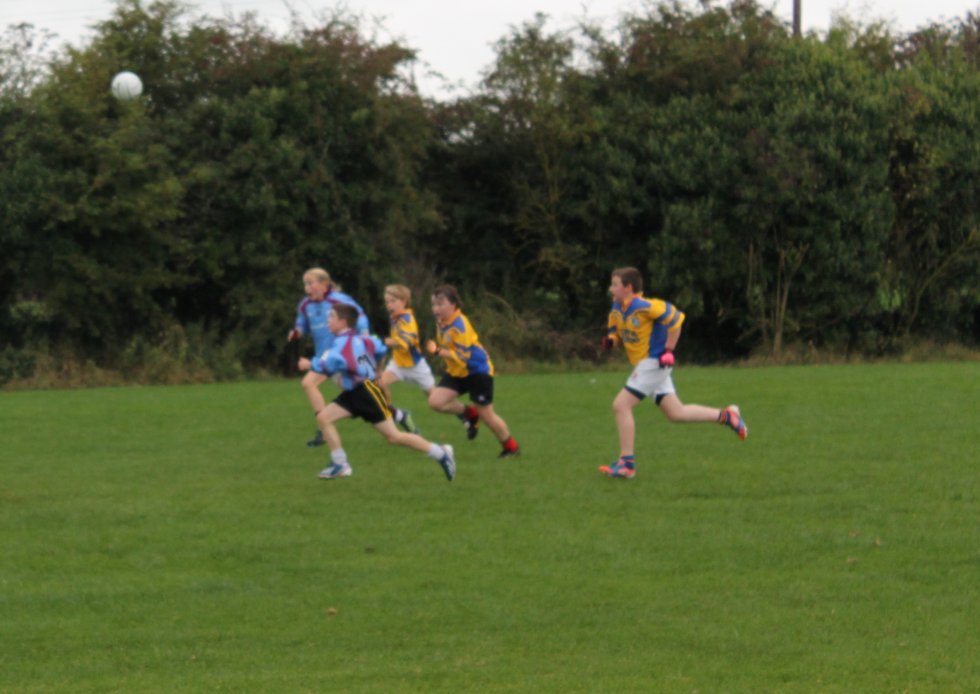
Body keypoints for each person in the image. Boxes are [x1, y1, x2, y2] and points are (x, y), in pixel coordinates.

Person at [598, 266, 747, 480]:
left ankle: (626, 463)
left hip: (653, 363)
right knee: (676, 413)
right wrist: (610, 342)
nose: (611, 288)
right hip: (645, 366)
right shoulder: (616, 308)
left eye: (615, 284)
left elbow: (676, 320)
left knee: (621, 405)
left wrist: (669, 350)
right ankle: (727, 416)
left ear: (628, 287)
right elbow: (616, 335)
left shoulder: (647, 306)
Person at [297, 303, 456, 481]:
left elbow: (329, 363)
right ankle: (340, 464)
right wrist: (378, 370)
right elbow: (380, 349)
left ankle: (441, 453)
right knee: (323, 417)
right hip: (355, 392)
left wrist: (309, 364)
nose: (328, 321)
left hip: (366, 394)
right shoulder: (364, 339)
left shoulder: (342, 344)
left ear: (343, 322)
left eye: (331, 317)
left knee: (394, 437)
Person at [424, 284, 520, 459]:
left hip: (477, 371)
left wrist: (438, 351)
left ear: (453, 305)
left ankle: (511, 447)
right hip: (457, 371)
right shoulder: (442, 322)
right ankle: (469, 413)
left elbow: (462, 356)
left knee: (487, 415)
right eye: (433, 304)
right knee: (435, 401)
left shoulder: (460, 325)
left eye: (440, 304)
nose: (435, 308)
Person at [287, 268, 370, 447]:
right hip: (323, 355)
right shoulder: (305, 305)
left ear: (324, 285)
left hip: (338, 354)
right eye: (305, 284)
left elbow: (360, 316)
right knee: (360, 393)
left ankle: (323, 429)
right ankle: (397, 415)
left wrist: (364, 337)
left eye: (311, 283)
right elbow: (302, 324)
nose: (307, 288)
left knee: (309, 383)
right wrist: (297, 332)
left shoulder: (339, 301)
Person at [376, 284, 435, 435]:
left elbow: (408, 341)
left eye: (393, 301)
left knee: (436, 401)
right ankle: (396, 415)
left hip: (415, 365)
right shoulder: (394, 317)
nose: (389, 305)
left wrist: (389, 341)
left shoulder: (407, 319)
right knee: (379, 384)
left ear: (404, 301)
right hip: (398, 363)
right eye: (387, 302)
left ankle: (466, 413)